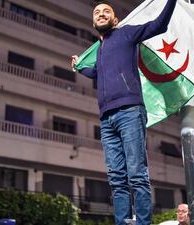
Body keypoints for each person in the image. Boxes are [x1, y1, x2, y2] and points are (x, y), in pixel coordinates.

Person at [70, 1, 177, 225]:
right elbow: (97, 73)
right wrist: (80, 67)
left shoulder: (126, 34)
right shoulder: (99, 50)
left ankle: (143, 223)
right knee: (116, 179)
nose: (101, 14)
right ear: (93, 21)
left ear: (114, 20)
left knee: (137, 174)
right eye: (96, 12)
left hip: (130, 111)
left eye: (106, 11)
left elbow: (159, 25)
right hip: (106, 119)